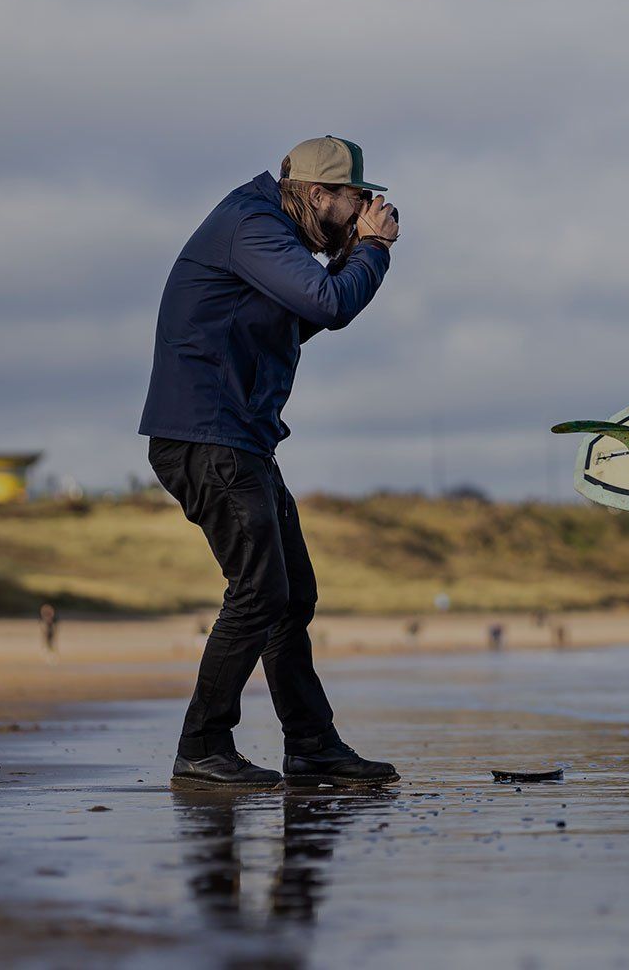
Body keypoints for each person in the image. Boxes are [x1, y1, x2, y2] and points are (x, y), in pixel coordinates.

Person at [140, 136, 402, 791]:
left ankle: (312, 746)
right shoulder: (251, 227)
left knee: (292, 598)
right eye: (354, 199)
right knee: (259, 593)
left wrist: (353, 250)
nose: (363, 208)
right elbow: (328, 305)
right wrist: (372, 250)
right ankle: (201, 746)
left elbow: (303, 317)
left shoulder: (270, 232)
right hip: (207, 438)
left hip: (241, 439)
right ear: (318, 194)